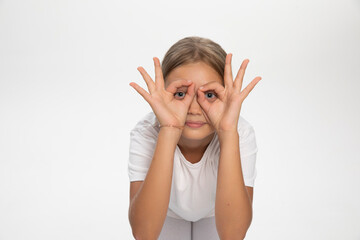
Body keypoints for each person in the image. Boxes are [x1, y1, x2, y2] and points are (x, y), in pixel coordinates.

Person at [128, 36, 262, 240]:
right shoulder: (147, 132)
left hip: (216, 213)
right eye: (181, 94)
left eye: (209, 95)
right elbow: (144, 234)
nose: (193, 108)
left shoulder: (239, 132)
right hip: (166, 212)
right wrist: (169, 128)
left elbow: (233, 235)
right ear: (162, 93)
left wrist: (227, 133)